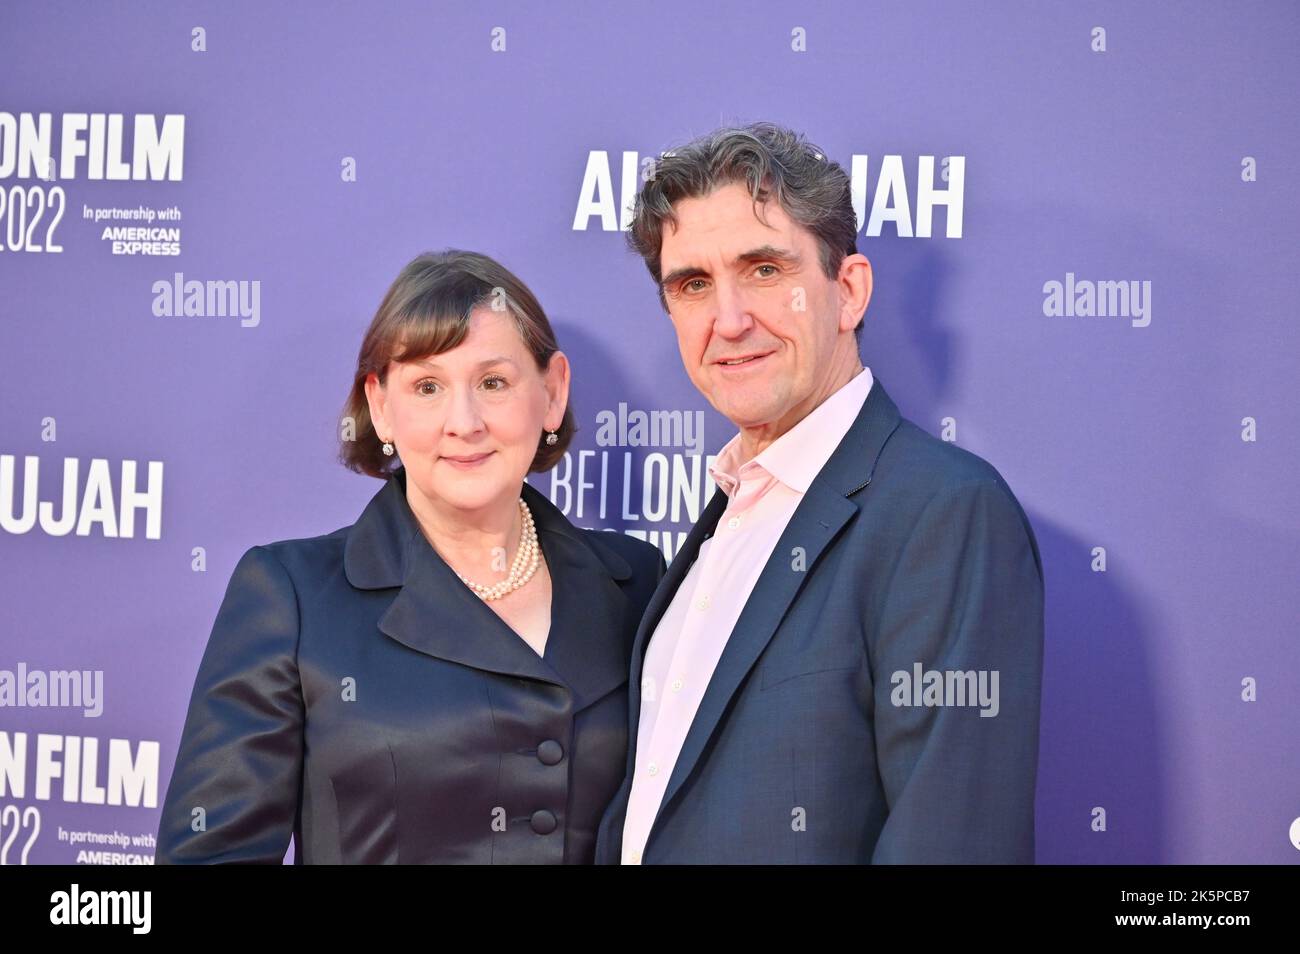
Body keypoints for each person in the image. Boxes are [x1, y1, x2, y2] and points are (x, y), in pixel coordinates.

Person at [595, 123, 1045, 864]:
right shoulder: (722, 523)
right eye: (694, 284)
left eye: (765, 270)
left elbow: (953, 843)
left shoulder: (941, 514)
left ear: (849, 291)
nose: (729, 319)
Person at [157, 249, 666, 864]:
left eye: (493, 382)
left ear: (552, 392)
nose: (464, 421)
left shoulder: (637, 583)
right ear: (380, 407)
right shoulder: (291, 597)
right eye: (427, 386)